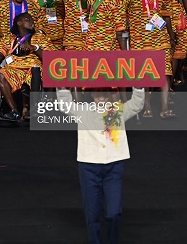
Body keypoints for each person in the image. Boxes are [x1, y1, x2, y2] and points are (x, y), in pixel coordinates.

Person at [57, 87, 145, 244]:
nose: (101, 96)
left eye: (105, 91)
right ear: (91, 93)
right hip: (88, 167)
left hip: (114, 167)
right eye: (97, 92)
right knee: (92, 215)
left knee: (114, 213)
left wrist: (138, 85)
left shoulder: (117, 110)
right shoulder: (83, 111)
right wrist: (61, 84)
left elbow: (137, 104)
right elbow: (65, 104)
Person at [0, 12, 51, 121]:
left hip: (32, 67)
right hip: (15, 67)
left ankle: (34, 110)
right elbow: (0, 54)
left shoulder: (39, 37)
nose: (32, 22)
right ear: (19, 23)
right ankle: (14, 111)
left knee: (36, 68)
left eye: (32, 20)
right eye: (27, 20)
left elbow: (51, 57)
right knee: (2, 74)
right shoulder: (9, 38)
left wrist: (34, 47)